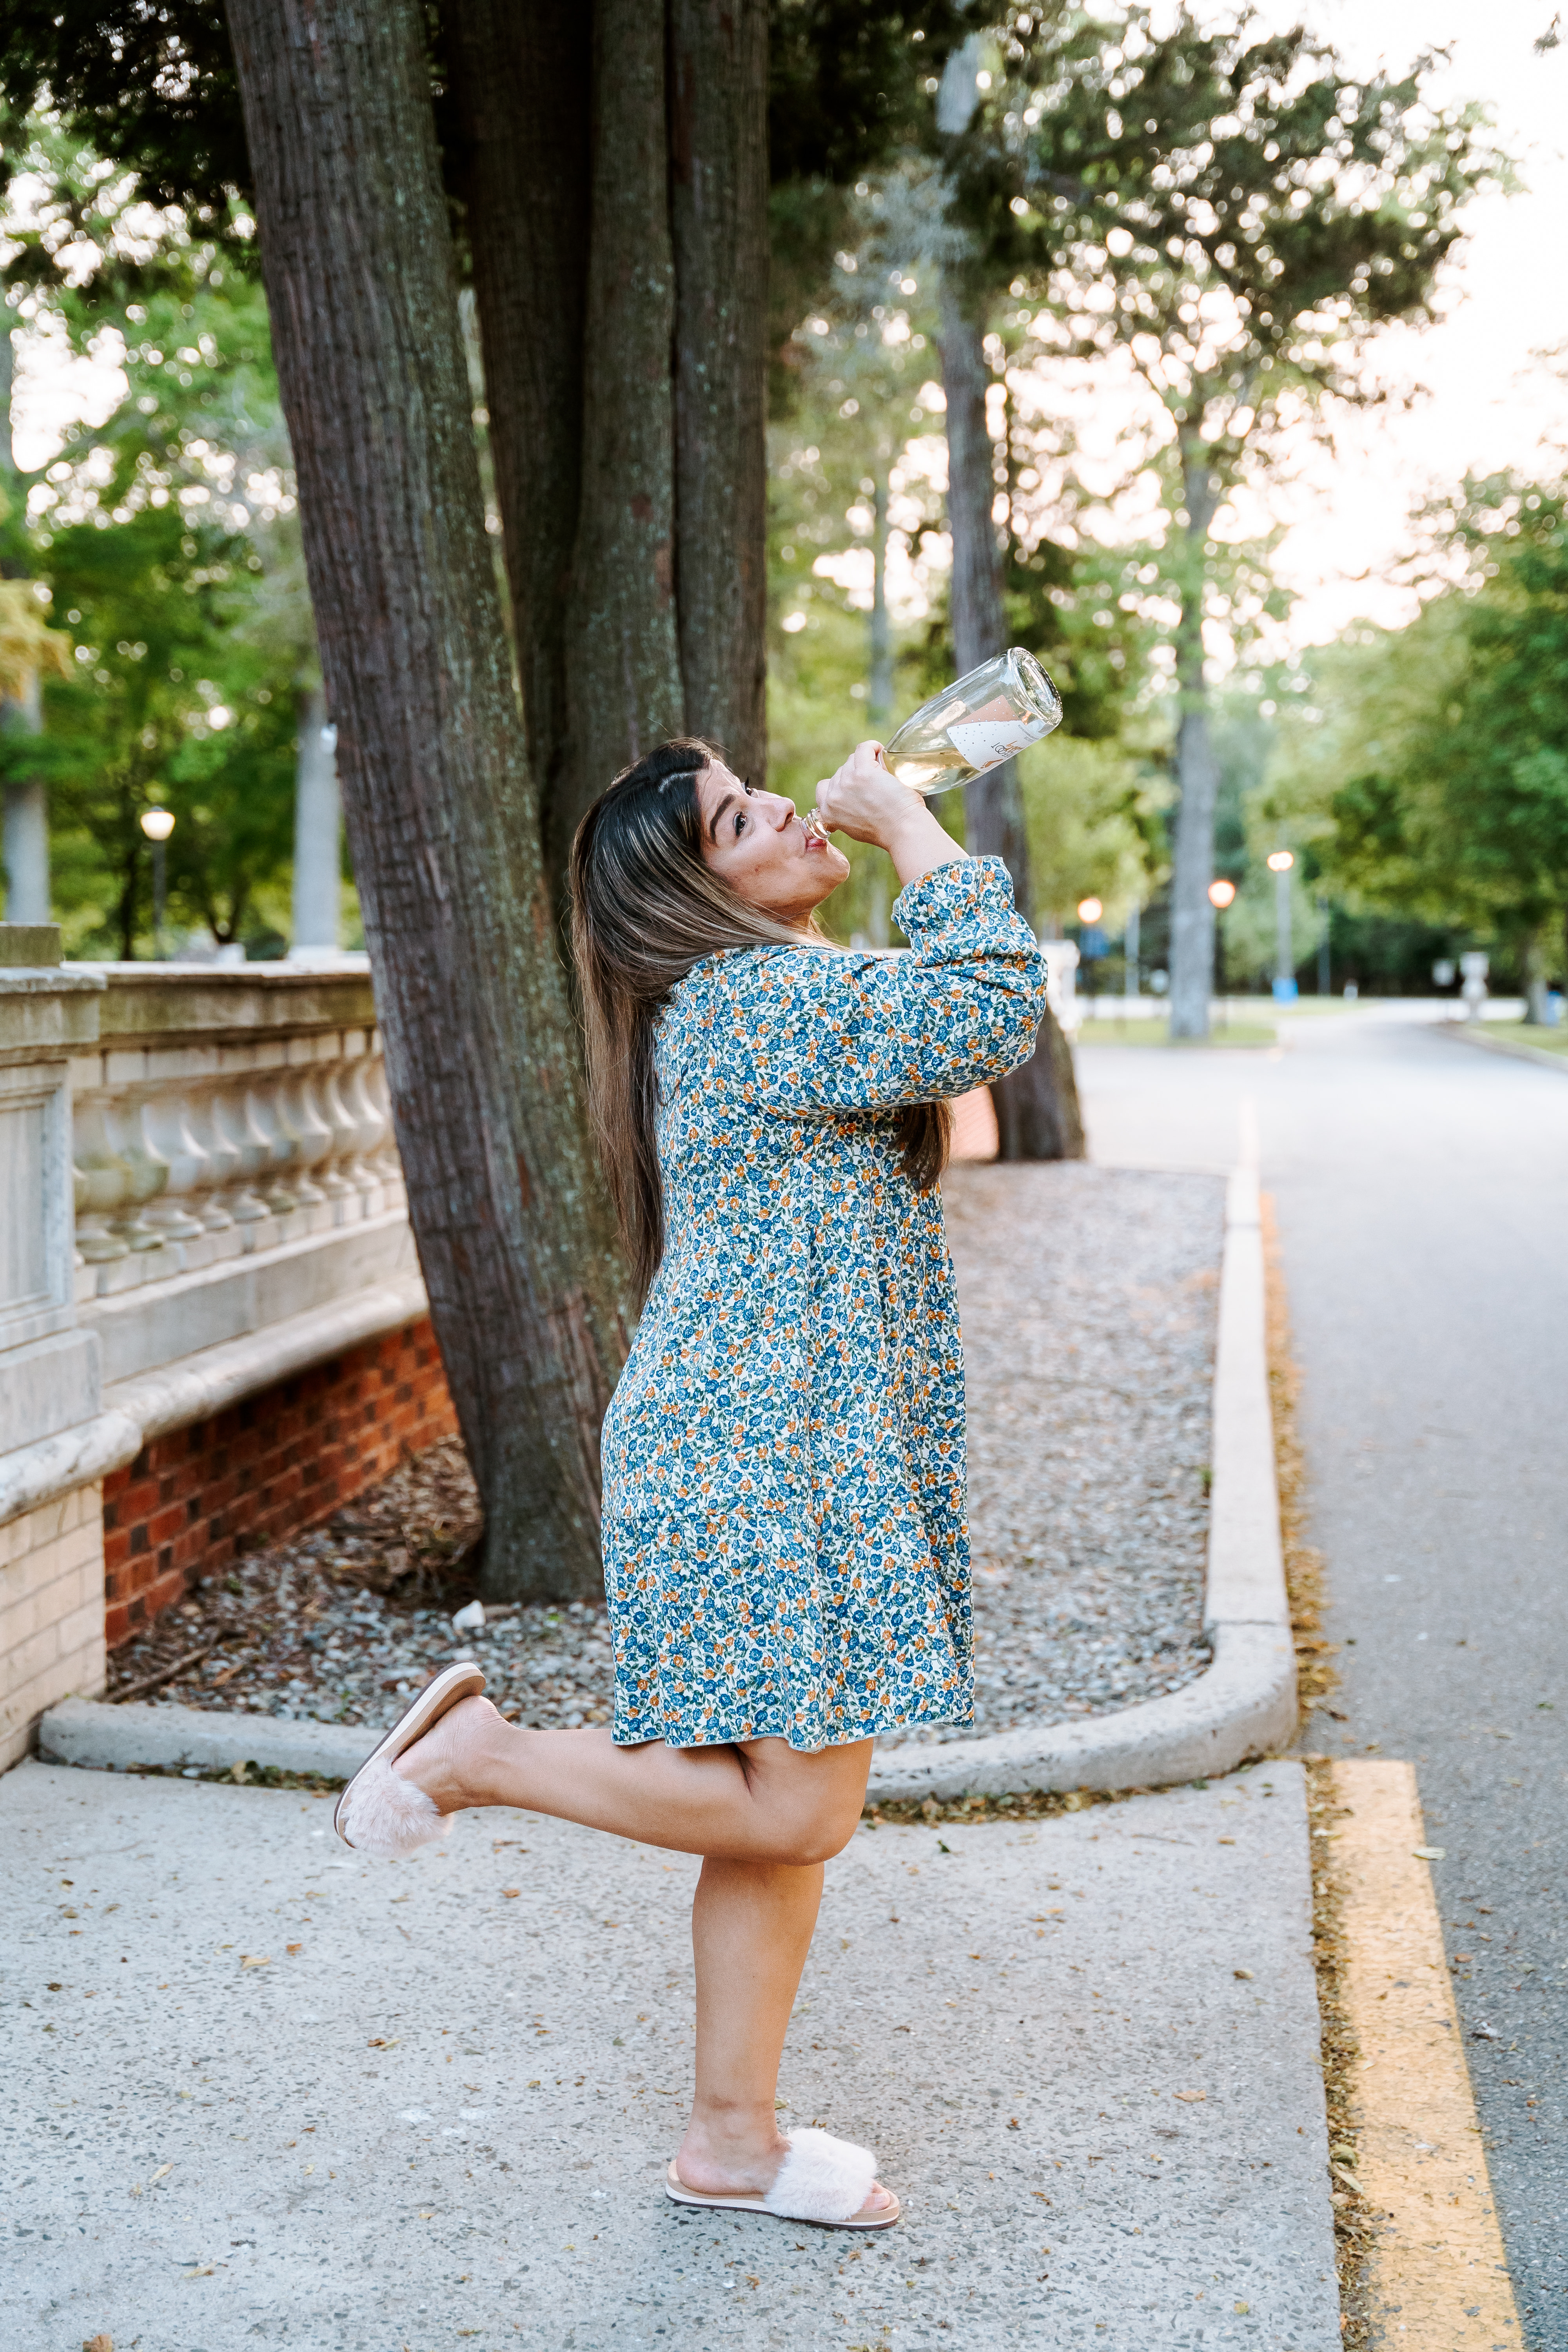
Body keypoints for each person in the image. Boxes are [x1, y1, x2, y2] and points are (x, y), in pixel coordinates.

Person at [334, 739, 1050, 2230]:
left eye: (764, 791)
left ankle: (730, 2139)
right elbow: (989, 1013)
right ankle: (480, 1755)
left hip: (767, 1442)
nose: (792, 809)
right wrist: (912, 818)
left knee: (758, 1801)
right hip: (762, 1453)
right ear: (689, 892)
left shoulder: (753, 1000)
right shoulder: (746, 1000)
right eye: (745, 817)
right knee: (797, 1812)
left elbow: (940, 1046)